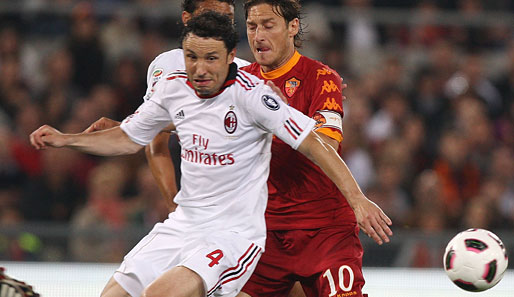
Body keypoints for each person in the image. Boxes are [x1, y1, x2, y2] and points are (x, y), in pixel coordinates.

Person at [30, 12, 391, 297]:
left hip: (233, 234)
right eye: (192, 58)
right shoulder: (173, 88)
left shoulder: (254, 95)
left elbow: (314, 142)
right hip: (184, 224)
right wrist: (66, 139)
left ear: (231, 58)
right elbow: (128, 138)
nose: (200, 69)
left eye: (211, 59)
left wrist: (357, 198)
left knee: (160, 294)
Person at [237, 1, 392, 297]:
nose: (258, 36)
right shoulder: (239, 84)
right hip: (264, 231)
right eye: (252, 26)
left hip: (325, 230)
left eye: (268, 26)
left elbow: (327, 145)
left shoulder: (322, 78)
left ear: (292, 27)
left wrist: (267, 121)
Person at [84, 0, 250, 213]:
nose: (219, 24)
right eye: (209, 15)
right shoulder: (169, 64)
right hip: (192, 179)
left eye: (227, 18)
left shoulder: (249, 73)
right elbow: (156, 140)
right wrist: (173, 205)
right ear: (186, 19)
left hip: (242, 191)